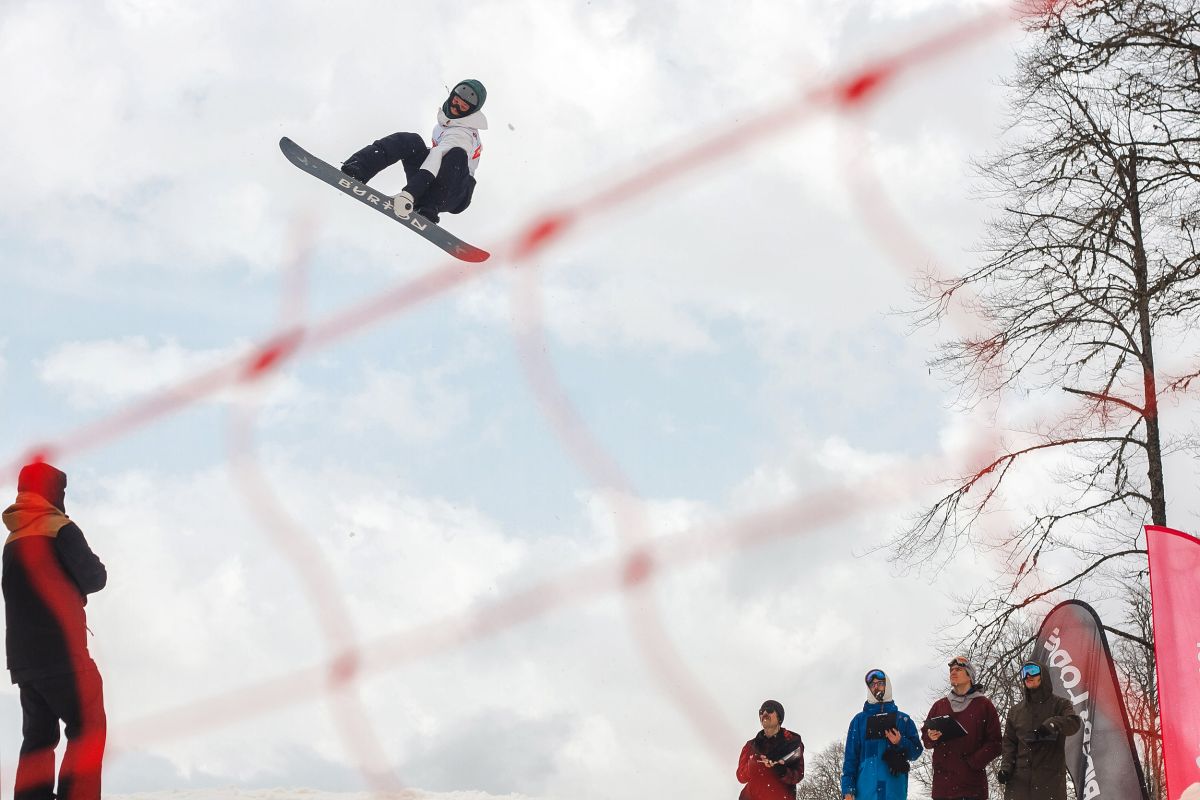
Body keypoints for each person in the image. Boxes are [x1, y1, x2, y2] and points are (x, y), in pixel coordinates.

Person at [2, 463, 107, 800]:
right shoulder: (60, 528)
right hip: (65, 657)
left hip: (24, 663)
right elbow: (95, 577)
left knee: (38, 740)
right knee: (88, 729)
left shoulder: (13, 538)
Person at [340, 79, 487, 224]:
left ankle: (428, 208)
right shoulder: (443, 125)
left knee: (456, 155)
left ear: (470, 112)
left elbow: (438, 157)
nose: (456, 108)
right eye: (456, 101)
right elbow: (434, 159)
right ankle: (358, 168)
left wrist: (410, 194)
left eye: (463, 107)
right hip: (433, 179)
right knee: (410, 141)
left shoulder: (464, 134)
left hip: (455, 193)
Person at [997, 660, 1082, 800]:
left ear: (1043, 675)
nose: (1028, 675)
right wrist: (1006, 769)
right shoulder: (1015, 711)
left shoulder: (1061, 704)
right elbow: (1009, 744)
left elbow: (1074, 723)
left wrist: (1053, 724)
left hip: (1050, 784)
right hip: (1018, 786)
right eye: (1024, 672)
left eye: (1033, 670)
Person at [920, 655, 1003, 799]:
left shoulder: (984, 705)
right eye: (951, 670)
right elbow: (925, 738)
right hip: (943, 789)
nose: (953, 672)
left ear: (970, 675)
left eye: (958, 669)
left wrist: (972, 762)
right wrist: (930, 737)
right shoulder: (939, 706)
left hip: (971, 788)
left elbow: (996, 743)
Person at [841, 669, 923, 800]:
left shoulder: (903, 719)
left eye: (880, 683)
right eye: (872, 685)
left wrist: (900, 742)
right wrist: (848, 790)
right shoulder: (859, 721)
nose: (876, 687)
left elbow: (916, 751)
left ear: (887, 685)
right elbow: (851, 759)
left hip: (894, 790)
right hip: (866, 791)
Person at [736, 699, 805, 800]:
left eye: (769, 710)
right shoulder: (750, 746)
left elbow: (798, 775)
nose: (764, 713)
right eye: (761, 711)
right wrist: (752, 765)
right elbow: (740, 776)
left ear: (779, 717)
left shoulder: (793, 743)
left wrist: (783, 771)